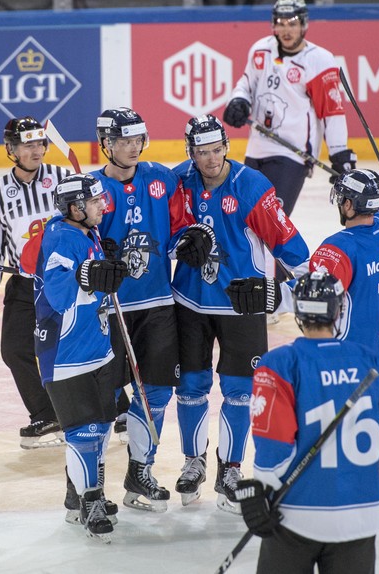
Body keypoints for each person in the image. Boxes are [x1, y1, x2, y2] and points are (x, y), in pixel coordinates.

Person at [171, 114, 309, 514]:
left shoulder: (251, 187)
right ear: (190, 153)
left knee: (238, 391)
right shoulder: (180, 182)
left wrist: (294, 289)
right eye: (201, 152)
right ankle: (193, 462)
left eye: (216, 150)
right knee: (192, 387)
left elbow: (289, 244)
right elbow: (163, 232)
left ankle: (230, 468)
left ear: (226, 148)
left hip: (241, 304)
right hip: (190, 302)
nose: (210, 159)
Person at [235, 270, 379, 573]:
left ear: (298, 311)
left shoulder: (280, 364)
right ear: (338, 309)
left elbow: (274, 447)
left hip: (297, 515)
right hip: (362, 515)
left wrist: (262, 490)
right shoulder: (370, 361)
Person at [90, 107, 215, 513]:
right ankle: (88, 490)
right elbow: (74, 241)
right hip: (110, 309)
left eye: (136, 140)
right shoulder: (91, 189)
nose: (131, 148)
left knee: (154, 394)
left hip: (158, 303)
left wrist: (191, 239)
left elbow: (180, 226)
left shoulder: (162, 178)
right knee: (103, 401)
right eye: (122, 141)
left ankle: (138, 472)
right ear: (106, 144)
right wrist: (95, 254)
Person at [227, 169, 379, 366]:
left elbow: (317, 293)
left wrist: (273, 295)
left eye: (342, 199)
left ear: (349, 205)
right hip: (377, 359)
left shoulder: (339, 248)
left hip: (342, 361)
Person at [22, 173, 128, 542]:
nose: (104, 206)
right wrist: (87, 273)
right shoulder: (62, 238)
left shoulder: (87, 233)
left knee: (100, 428)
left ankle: (79, 495)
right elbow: (58, 295)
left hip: (97, 346)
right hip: (65, 353)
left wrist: (100, 262)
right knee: (83, 433)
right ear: (75, 208)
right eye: (97, 201)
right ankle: (91, 500)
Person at [0, 116, 68, 450]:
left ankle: (114, 409)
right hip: (24, 283)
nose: (36, 150)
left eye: (40, 143)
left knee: (71, 348)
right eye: (27, 144)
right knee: (14, 349)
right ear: (11, 150)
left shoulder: (63, 179)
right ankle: (46, 414)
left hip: (65, 281)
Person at [222, 0, 356, 216]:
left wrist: (339, 152)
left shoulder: (319, 61)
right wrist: (239, 100)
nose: (286, 30)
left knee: (272, 220)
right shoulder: (260, 50)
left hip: (293, 154)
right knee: (242, 217)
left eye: (292, 23)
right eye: (281, 23)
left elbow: (331, 112)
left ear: (303, 25)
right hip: (257, 149)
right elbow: (246, 83)